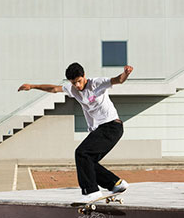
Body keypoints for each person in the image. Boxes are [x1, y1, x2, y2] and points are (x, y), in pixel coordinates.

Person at [18, 62, 133, 202]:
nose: (77, 86)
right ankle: (116, 184)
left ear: (84, 76)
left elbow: (117, 80)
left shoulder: (96, 83)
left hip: (112, 126)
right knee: (87, 163)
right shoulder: (72, 89)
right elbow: (54, 89)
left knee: (82, 153)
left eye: (79, 81)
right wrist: (32, 86)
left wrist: (125, 74)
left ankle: (92, 192)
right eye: (74, 83)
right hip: (100, 129)